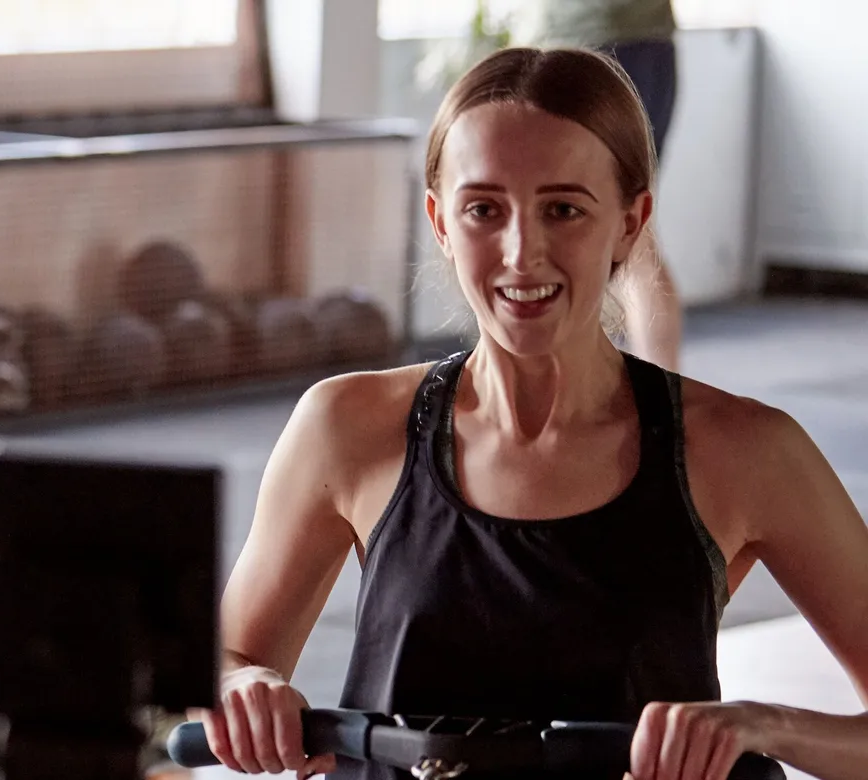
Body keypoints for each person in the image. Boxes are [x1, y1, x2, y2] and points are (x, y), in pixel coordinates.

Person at [206, 48, 868, 780]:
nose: (522, 254)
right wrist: (242, 686)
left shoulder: (745, 451)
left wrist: (764, 724)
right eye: (484, 210)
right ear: (440, 222)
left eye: (563, 210)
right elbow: (229, 661)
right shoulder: (346, 427)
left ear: (630, 221)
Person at [516, 0, 683, 371]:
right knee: (634, 237)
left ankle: (568, 386)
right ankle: (661, 395)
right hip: (649, 44)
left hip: (583, 45)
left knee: (570, 232)